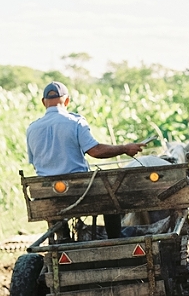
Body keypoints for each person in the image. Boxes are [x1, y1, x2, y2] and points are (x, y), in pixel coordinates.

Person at [26, 81, 146, 240]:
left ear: (43, 102)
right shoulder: (75, 122)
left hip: (47, 194)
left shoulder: (32, 129)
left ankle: (63, 238)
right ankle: (115, 239)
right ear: (67, 100)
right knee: (111, 197)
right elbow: (95, 151)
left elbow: (35, 162)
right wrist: (124, 148)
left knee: (56, 203)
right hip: (80, 193)